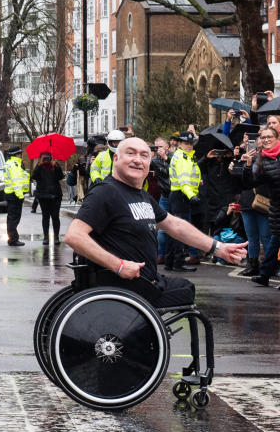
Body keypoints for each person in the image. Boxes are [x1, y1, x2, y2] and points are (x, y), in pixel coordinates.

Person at [64, 137, 247, 308]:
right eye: (131, 153)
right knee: (184, 291)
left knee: (185, 288)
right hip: (125, 288)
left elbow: (174, 225)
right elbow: (74, 236)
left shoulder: (140, 194)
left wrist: (218, 247)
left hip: (145, 282)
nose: (138, 160)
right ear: (116, 158)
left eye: (144, 155)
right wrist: (118, 266)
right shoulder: (105, 192)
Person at [241, 126, 280, 288]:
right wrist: (248, 165)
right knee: (275, 240)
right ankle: (264, 274)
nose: (266, 140)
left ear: (277, 138)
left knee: (275, 241)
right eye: (263, 137)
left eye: (270, 136)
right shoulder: (261, 159)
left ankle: (264, 274)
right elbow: (250, 183)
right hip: (277, 206)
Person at [165, 131, 202, 272]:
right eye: (186, 143)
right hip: (182, 196)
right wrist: (191, 195)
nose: (189, 146)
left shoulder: (184, 156)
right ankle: (178, 263)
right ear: (179, 144)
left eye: (191, 144)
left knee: (174, 230)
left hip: (178, 195)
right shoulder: (182, 157)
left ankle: (170, 262)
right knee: (180, 231)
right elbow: (183, 180)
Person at [31, 152, 64, 245]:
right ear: (40, 158)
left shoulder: (55, 165)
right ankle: (46, 237)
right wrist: (39, 165)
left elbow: (60, 177)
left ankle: (56, 237)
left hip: (55, 195)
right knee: (45, 216)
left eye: (48, 158)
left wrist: (56, 167)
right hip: (43, 195)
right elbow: (34, 176)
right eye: (44, 158)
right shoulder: (39, 166)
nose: (46, 160)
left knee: (55, 216)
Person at [2, 145, 29, 246]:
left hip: (10, 193)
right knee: (14, 218)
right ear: (16, 154)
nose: (21, 155)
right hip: (15, 195)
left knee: (12, 218)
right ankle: (13, 239)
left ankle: (12, 238)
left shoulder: (10, 163)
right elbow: (16, 181)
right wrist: (20, 195)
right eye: (20, 153)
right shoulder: (14, 165)